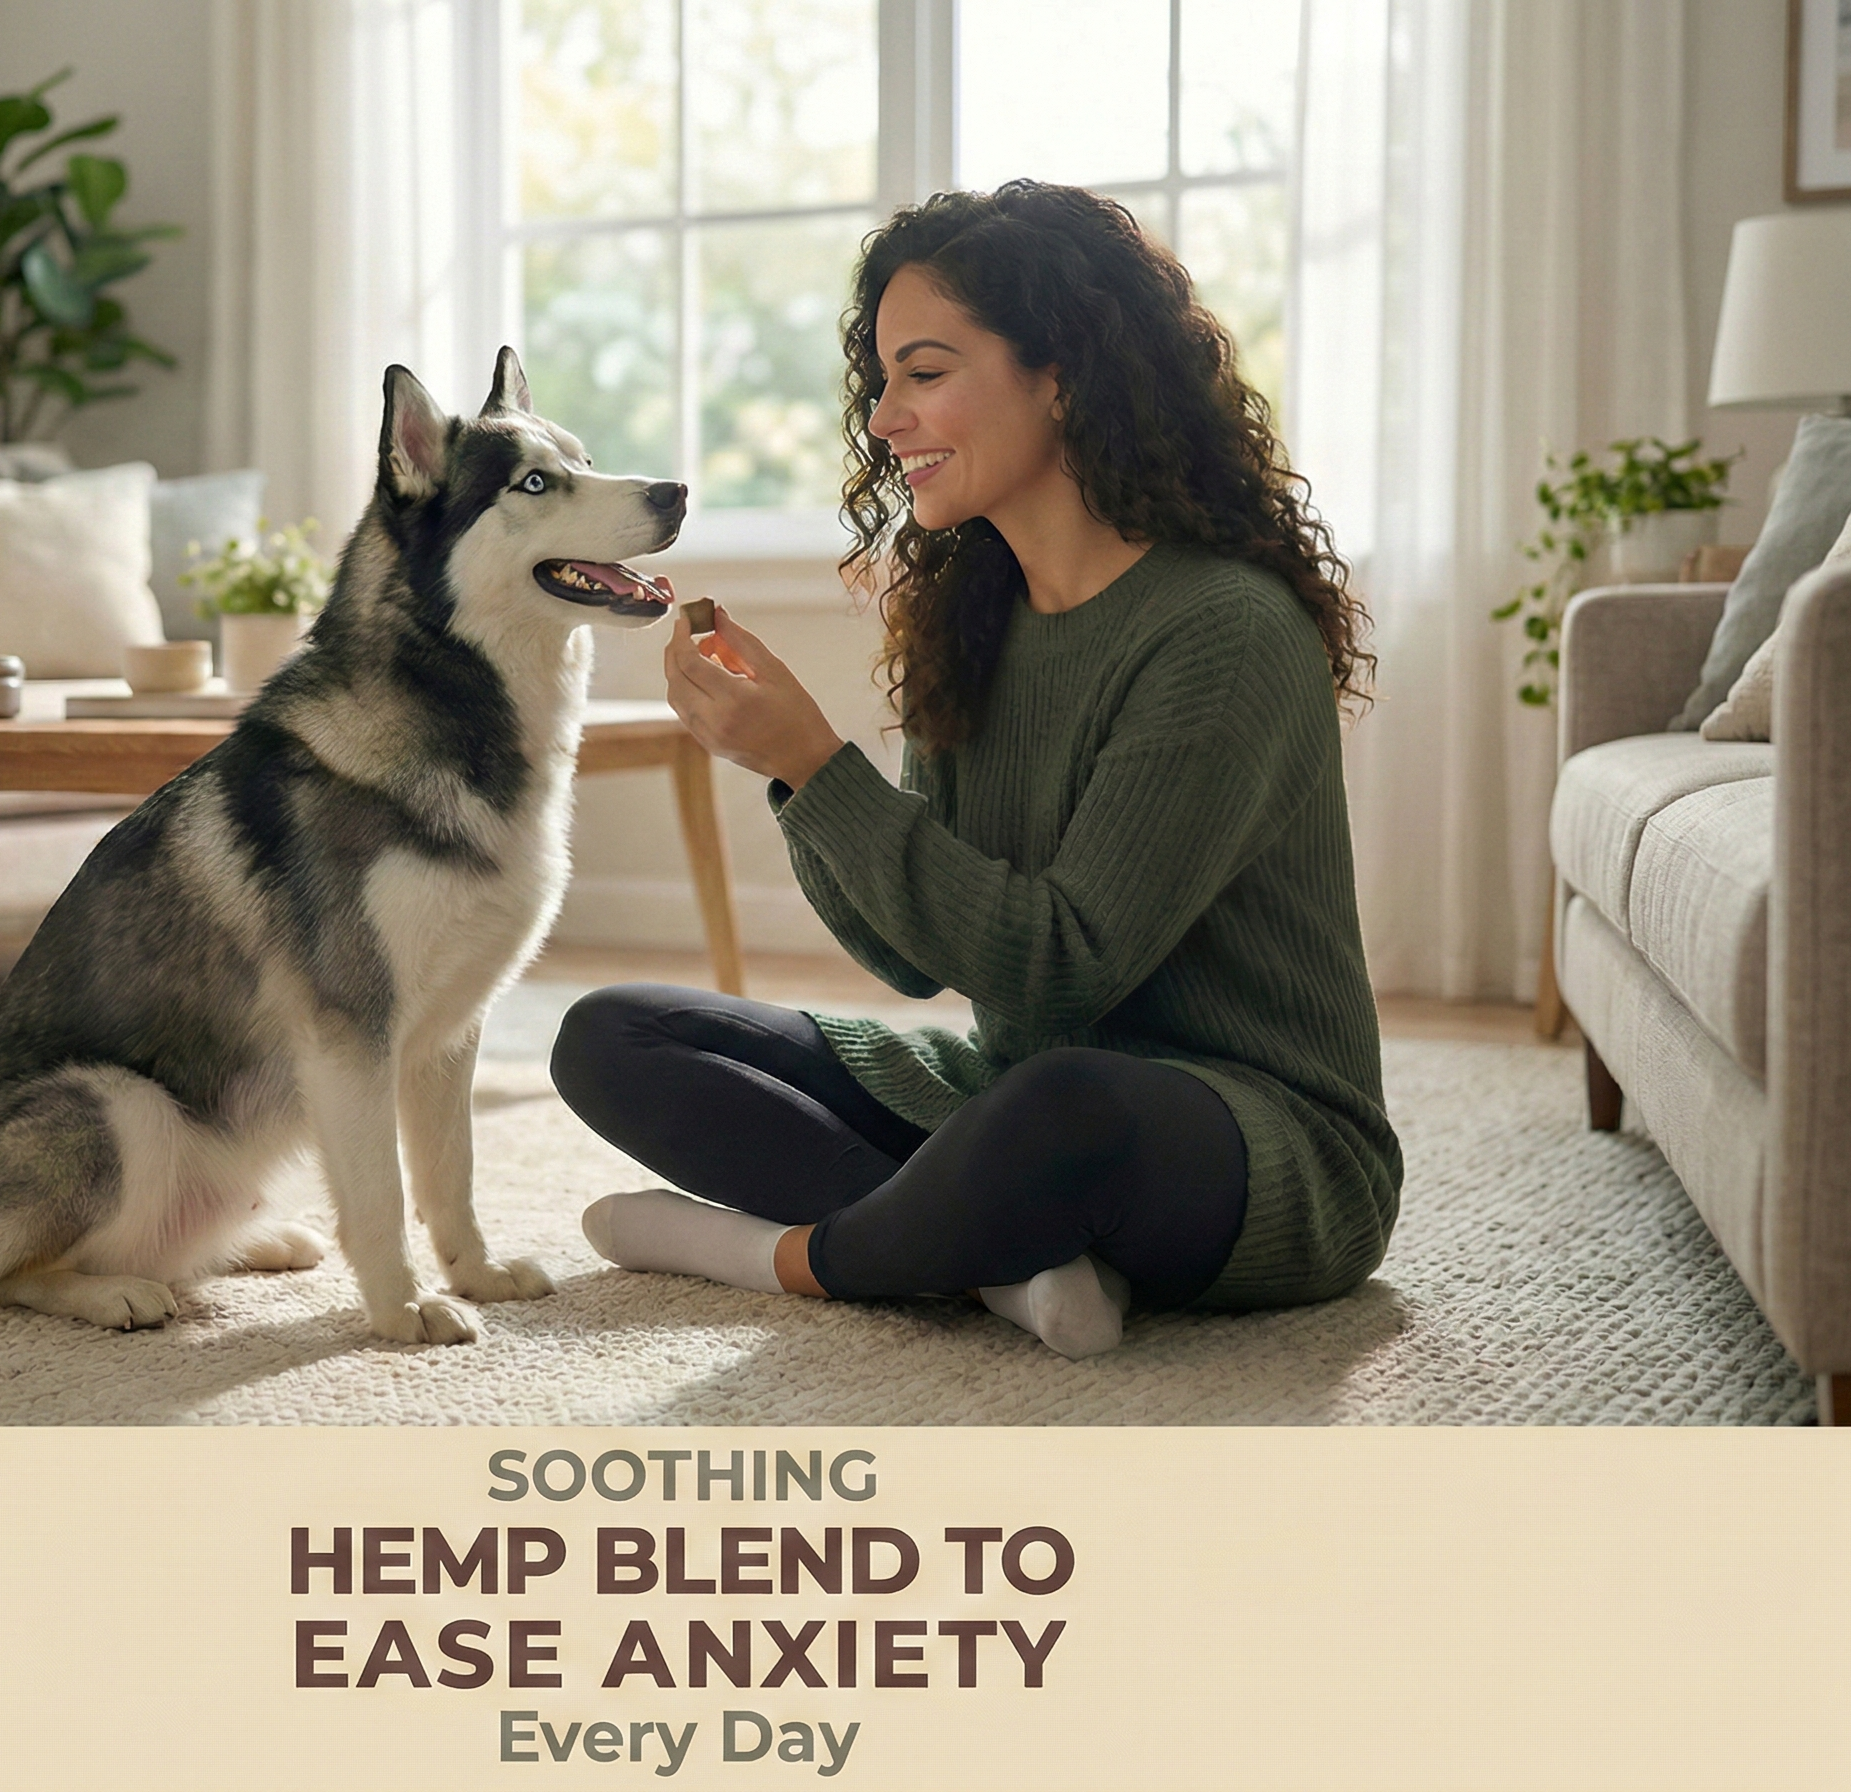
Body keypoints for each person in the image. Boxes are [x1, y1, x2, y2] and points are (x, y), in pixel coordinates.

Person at [549, 181, 1401, 1358]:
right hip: (1008, 1089)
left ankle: (787, 1255)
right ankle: (1005, 1260)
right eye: (883, 378)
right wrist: (795, 772)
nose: (887, 418)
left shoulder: (1224, 631)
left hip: (1256, 1139)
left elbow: (1060, 968)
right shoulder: (977, 613)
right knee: (613, 1033)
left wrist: (815, 756)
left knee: (1063, 1109)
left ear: (1062, 374)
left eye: (927, 371)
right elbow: (909, 960)